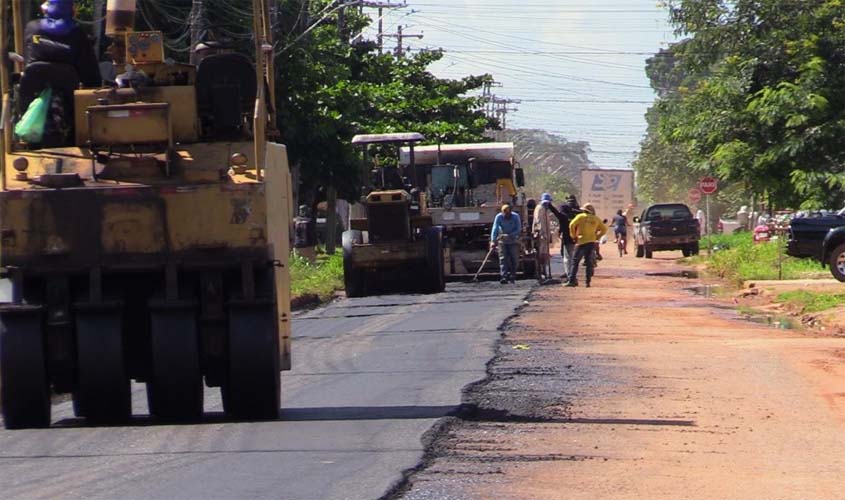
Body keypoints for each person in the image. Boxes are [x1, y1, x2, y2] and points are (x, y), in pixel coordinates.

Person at [24, 0, 101, 88]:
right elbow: (91, 74)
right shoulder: (77, 34)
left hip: (31, 90)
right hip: (66, 95)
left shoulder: (32, 28)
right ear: (70, 10)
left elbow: (28, 55)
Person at [567, 203, 608, 288]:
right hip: (591, 242)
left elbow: (571, 225)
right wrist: (597, 237)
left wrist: (573, 236)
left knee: (575, 262)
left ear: (584, 210)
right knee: (589, 262)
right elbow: (604, 229)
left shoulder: (580, 216)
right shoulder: (596, 219)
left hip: (581, 241)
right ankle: (587, 282)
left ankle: (571, 280)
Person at [491, 204, 522, 284]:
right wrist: (493, 241)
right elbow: (495, 228)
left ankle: (513, 275)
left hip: (513, 241)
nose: (506, 215)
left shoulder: (516, 217)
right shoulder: (499, 217)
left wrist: (510, 235)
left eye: (508, 213)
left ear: (510, 212)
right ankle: (504, 276)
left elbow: (518, 229)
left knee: (514, 259)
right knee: (503, 259)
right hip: (502, 241)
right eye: (504, 213)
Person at [533, 193, 554, 281]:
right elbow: (539, 222)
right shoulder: (540, 209)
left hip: (545, 234)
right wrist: (542, 234)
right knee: (541, 254)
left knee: (545, 254)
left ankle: (544, 271)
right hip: (541, 235)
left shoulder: (546, 210)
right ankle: (540, 272)